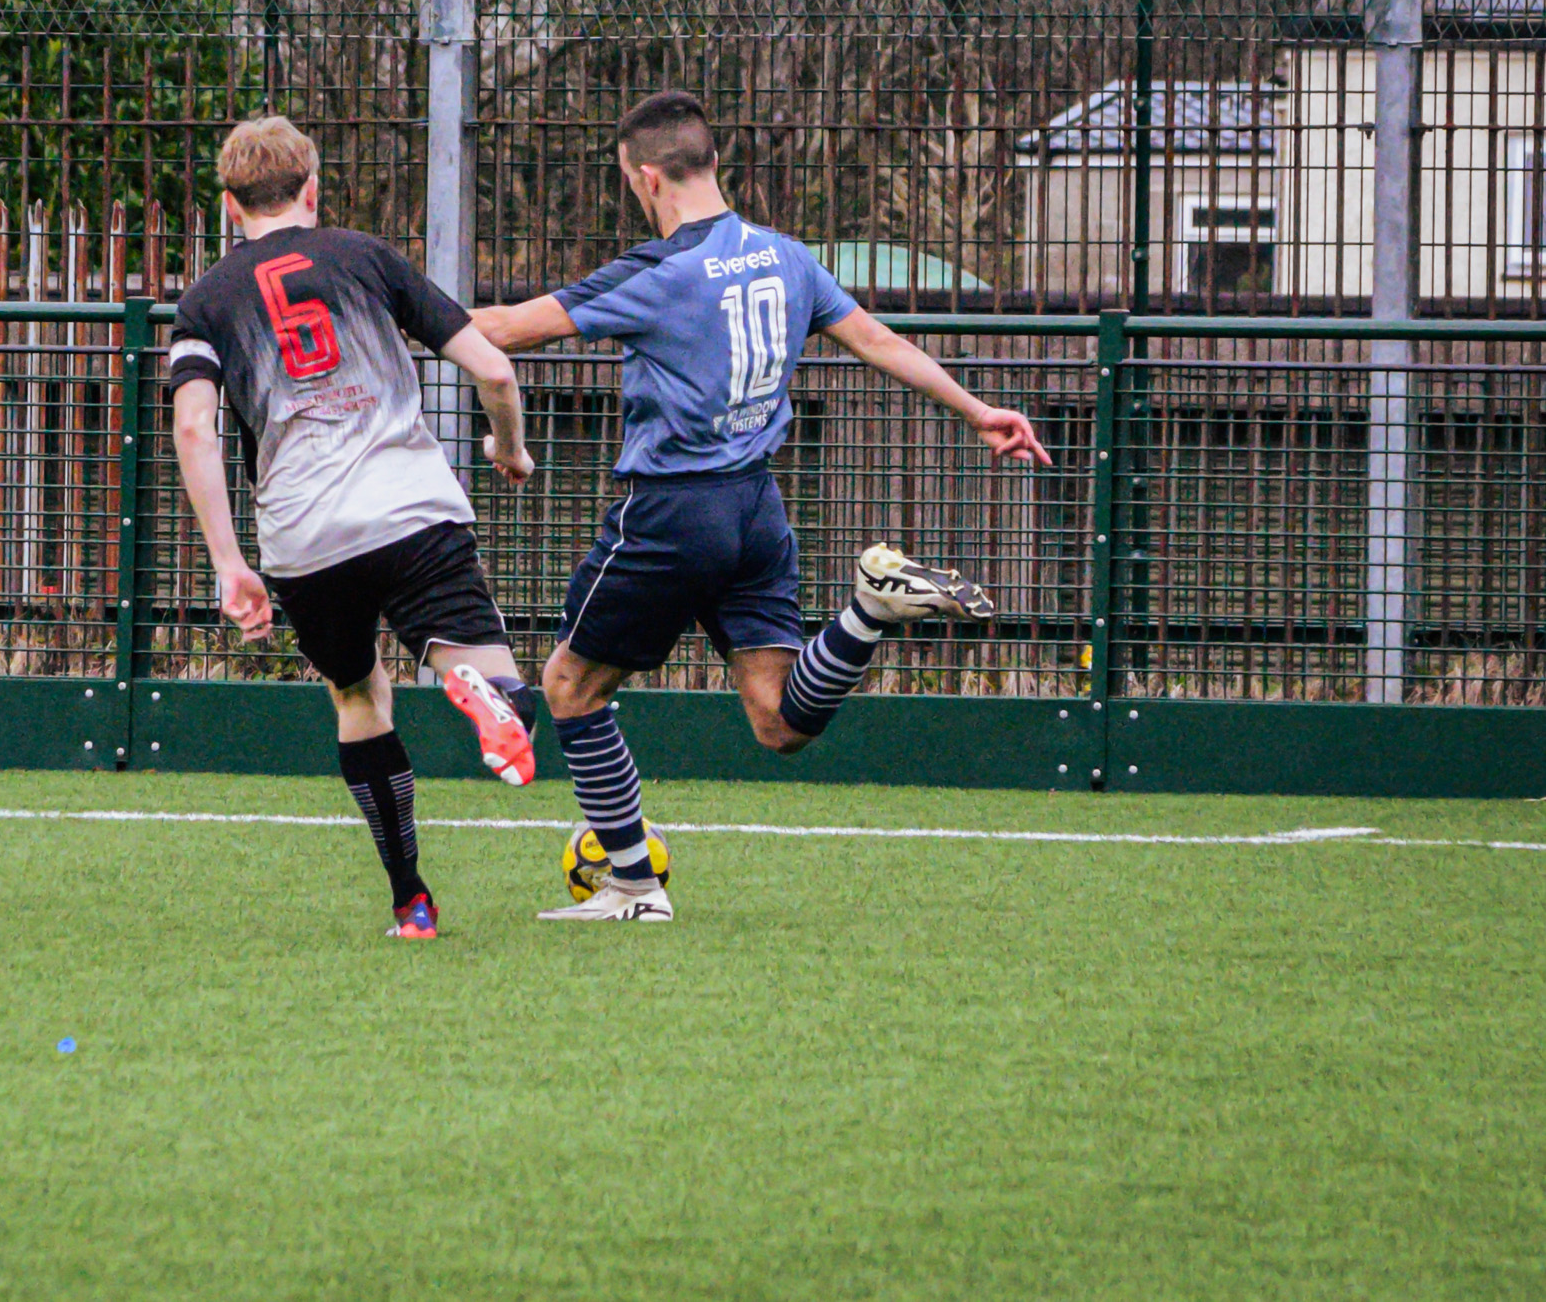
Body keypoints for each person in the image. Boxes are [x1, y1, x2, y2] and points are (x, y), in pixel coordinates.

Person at [473, 91, 1051, 923]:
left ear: (645, 178)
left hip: (671, 513)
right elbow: (880, 342)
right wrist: (976, 410)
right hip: (756, 510)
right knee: (779, 721)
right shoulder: (787, 256)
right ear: (711, 164)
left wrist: (383, 311)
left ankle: (634, 887)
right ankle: (865, 613)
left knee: (569, 687)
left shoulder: (655, 271)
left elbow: (505, 329)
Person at [169, 116, 542, 940]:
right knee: (507, 690)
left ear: (230, 207)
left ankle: (411, 898)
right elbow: (494, 367)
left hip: (305, 539)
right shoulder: (366, 257)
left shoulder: (203, 303)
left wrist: (230, 563)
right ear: (312, 189)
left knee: (358, 695)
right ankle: (475, 687)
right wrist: (507, 448)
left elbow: (194, 429)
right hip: (410, 507)